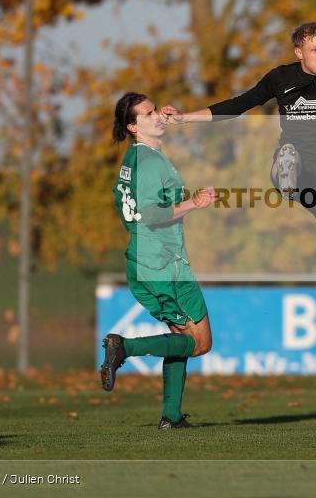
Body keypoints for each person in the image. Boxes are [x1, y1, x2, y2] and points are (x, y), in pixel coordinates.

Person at [161, 22, 316, 382]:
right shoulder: (281, 78)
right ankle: (286, 174)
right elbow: (239, 104)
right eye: (315, 50)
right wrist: (185, 117)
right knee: (291, 155)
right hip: (297, 166)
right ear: (299, 53)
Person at [101, 92, 217, 429]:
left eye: (155, 110)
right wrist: (195, 203)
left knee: (181, 337)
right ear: (133, 127)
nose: (156, 116)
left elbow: (129, 207)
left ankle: (172, 417)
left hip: (143, 259)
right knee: (200, 343)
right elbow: (151, 213)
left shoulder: (135, 159)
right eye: (148, 114)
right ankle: (124, 347)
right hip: (165, 263)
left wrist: (173, 116)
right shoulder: (150, 162)